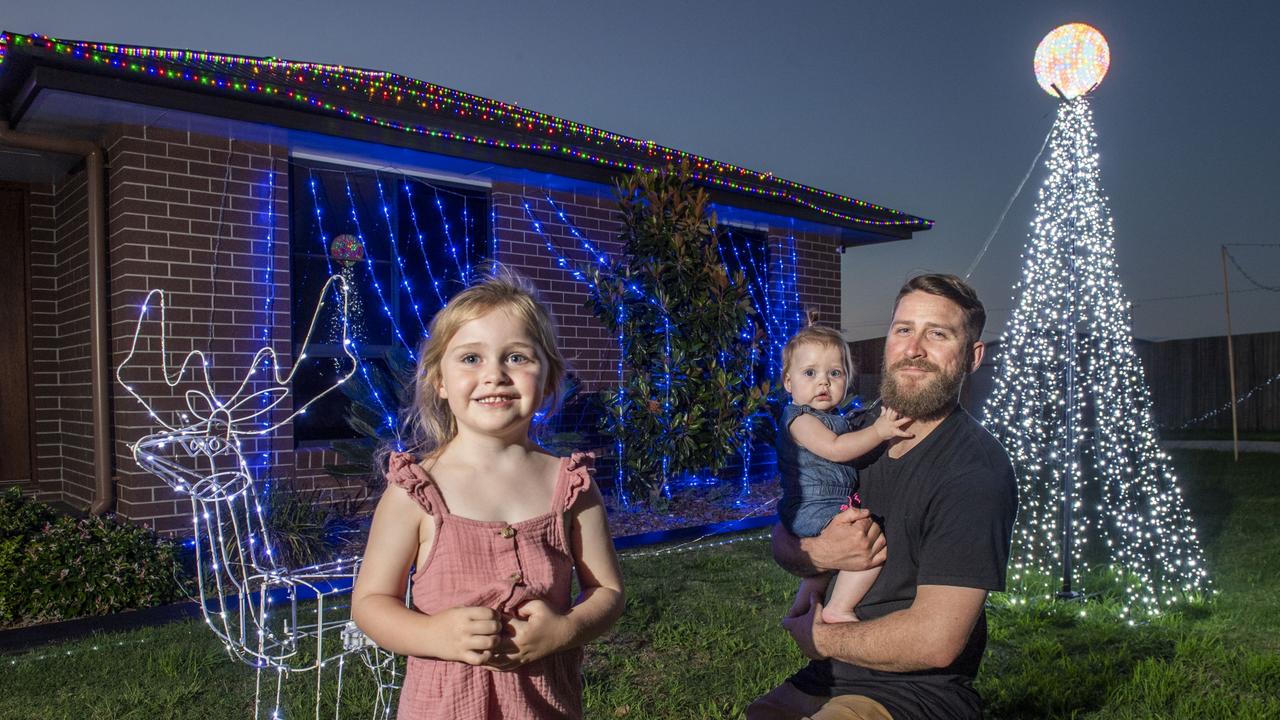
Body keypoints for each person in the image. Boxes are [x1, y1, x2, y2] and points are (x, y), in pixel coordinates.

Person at [351, 270, 625, 720]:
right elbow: (371, 603)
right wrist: (434, 634)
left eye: (517, 357)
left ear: (550, 380)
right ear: (439, 380)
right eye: (471, 358)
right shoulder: (416, 492)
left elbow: (607, 591)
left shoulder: (571, 487)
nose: (494, 375)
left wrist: (566, 629)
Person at [748, 274, 1018, 720]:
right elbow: (786, 532)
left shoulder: (974, 472)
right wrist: (817, 551)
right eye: (903, 329)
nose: (914, 348)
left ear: (972, 357)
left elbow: (935, 643)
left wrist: (819, 636)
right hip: (833, 673)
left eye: (938, 333)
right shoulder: (854, 430)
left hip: (914, 693)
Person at [776, 325, 913, 624]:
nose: (823, 381)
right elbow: (836, 449)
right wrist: (878, 432)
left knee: (825, 568)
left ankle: (802, 608)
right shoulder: (800, 420)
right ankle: (840, 607)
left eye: (834, 373)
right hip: (813, 507)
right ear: (789, 382)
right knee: (865, 545)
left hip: (824, 504)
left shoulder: (834, 418)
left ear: (847, 379)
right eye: (809, 373)